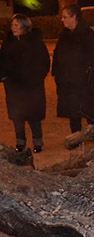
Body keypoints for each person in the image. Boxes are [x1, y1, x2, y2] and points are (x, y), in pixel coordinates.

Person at [52, 4, 94, 144]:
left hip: (85, 83)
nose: (62, 20)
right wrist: (57, 74)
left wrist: (86, 73)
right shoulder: (64, 35)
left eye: (65, 17)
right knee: (73, 112)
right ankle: (76, 140)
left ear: (74, 17)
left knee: (90, 113)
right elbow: (57, 55)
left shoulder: (88, 34)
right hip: (68, 82)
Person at [0, 14, 50, 153]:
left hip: (32, 86)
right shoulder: (8, 42)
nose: (13, 27)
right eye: (12, 25)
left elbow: (44, 62)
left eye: (16, 25)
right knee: (17, 115)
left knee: (34, 114)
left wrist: (37, 78)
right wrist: (3, 77)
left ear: (24, 26)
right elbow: (2, 61)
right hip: (14, 86)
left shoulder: (35, 42)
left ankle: (37, 142)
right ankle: (20, 142)